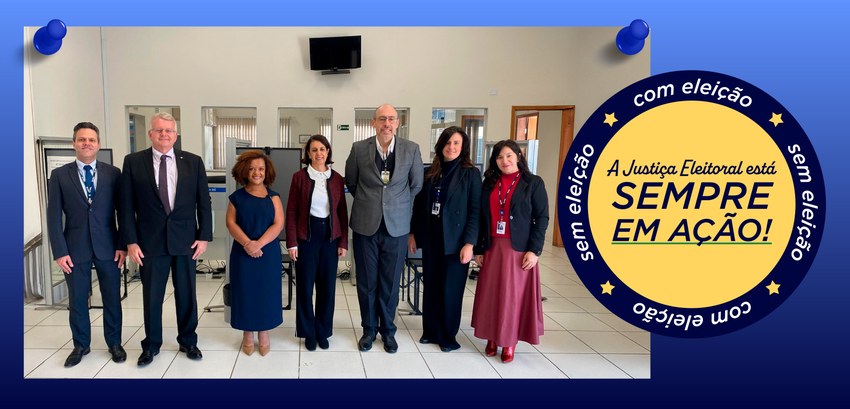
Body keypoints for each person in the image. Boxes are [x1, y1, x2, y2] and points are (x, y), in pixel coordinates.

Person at [120, 112, 212, 366]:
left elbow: (203, 202)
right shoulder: (133, 162)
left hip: (186, 241)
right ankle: (151, 345)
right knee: (152, 296)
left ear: (176, 135)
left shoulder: (193, 162)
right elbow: (126, 206)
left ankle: (188, 340)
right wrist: (131, 241)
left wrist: (204, 236)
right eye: (159, 130)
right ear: (150, 134)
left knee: (187, 294)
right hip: (149, 243)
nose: (164, 134)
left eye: (169, 130)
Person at [46, 122, 127, 367]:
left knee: (112, 298)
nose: (87, 143)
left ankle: (114, 342)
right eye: (82, 139)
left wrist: (123, 244)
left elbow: (123, 212)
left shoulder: (113, 173)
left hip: (109, 247)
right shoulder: (60, 175)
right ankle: (81, 344)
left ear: (98, 144)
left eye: (91, 139)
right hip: (74, 248)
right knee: (78, 300)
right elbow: (53, 216)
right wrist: (60, 251)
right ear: (74, 144)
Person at [345, 104, 423, 353]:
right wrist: (371, 203)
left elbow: (416, 185)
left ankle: (388, 331)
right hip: (365, 225)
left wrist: (395, 206)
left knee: (390, 282)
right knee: (367, 282)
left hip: (397, 228)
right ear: (374, 122)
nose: (386, 123)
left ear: (397, 123)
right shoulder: (359, 149)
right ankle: (369, 330)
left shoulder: (411, 149)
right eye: (382, 119)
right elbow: (352, 182)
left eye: (391, 119)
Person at [472, 140, 548, 363]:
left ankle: (509, 341)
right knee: (492, 296)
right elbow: (481, 218)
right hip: (493, 247)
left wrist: (534, 250)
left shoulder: (533, 183)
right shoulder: (489, 183)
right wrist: (479, 248)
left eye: (508, 156)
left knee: (511, 298)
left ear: (518, 156)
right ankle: (491, 336)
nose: (504, 161)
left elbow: (542, 218)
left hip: (518, 250)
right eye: (499, 157)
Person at [409, 126, 481, 352]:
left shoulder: (470, 173)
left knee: (450, 291)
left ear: (463, 146)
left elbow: (475, 211)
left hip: (456, 242)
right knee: (431, 286)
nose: (451, 147)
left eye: (456, 143)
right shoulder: (430, 172)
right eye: (448, 143)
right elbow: (418, 206)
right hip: (432, 239)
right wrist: (413, 234)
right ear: (441, 145)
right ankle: (430, 331)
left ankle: (448, 337)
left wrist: (470, 243)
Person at [286, 135, 348, 351]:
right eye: (314, 150)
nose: (318, 153)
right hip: (307, 236)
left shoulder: (337, 178)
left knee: (327, 288)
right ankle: (308, 332)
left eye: (322, 149)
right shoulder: (299, 177)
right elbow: (291, 210)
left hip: (330, 237)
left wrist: (343, 241)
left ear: (328, 151)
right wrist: (292, 242)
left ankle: (323, 331)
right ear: (308, 154)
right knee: (305, 287)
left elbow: (342, 212)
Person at [226, 151, 284, 356]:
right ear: (244, 171)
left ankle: (264, 331)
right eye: (251, 169)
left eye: (260, 168)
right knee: (245, 293)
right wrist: (247, 244)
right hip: (242, 254)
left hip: (268, 254)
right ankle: (247, 333)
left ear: (267, 171)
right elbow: (230, 223)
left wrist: (258, 244)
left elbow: (278, 224)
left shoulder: (273, 197)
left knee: (266, 293)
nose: (256, 172)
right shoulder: (236, 198)